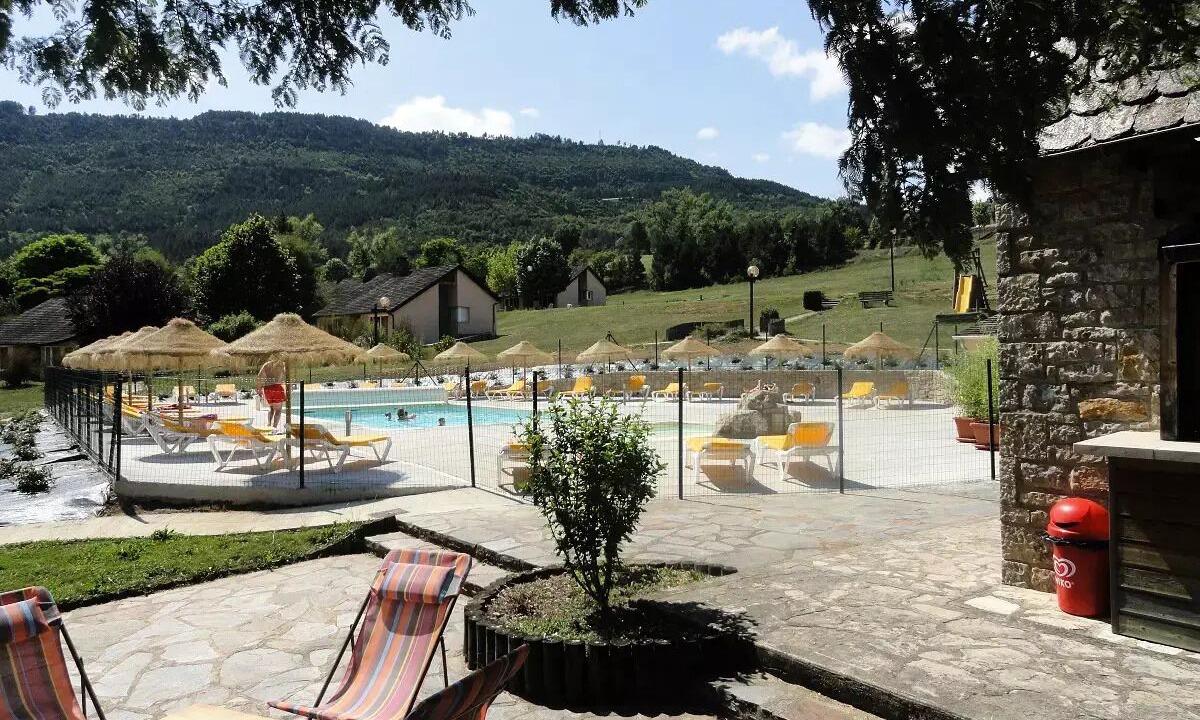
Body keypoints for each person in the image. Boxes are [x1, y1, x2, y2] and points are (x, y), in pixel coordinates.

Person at [257, 358, 287, 428]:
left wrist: (259, 389)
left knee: (271, 408)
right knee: (278, 410)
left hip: (267, 389)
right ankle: (274, 427)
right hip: (277, 387)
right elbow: (287, 374)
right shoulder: (281, 364)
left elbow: (259, 377)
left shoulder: (266, 365)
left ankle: (269, 424)